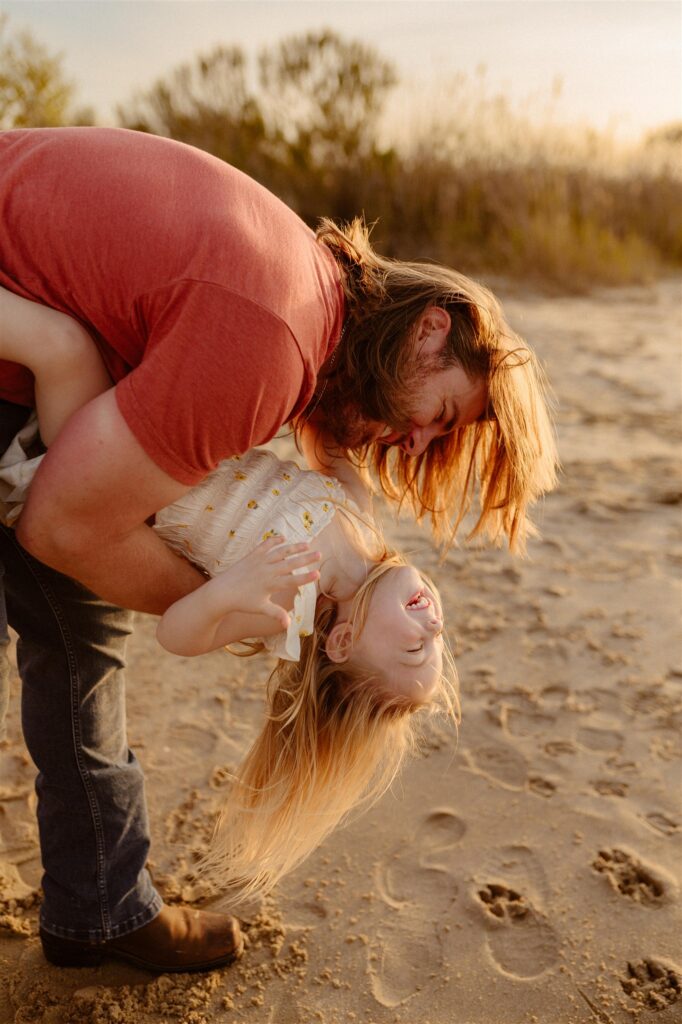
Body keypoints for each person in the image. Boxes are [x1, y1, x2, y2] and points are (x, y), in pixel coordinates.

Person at [0, 126, 557, 972]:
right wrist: (221, 589)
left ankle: (100, 905)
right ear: (430, 331)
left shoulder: (310, 292)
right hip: (31, 363)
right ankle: (102, 905)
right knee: (77, 615)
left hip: (45, 386)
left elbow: (326, 441)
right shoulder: (271, 342)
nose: (412, 445)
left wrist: (239, 605)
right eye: (437, 417)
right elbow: (60, 527)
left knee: (81, 641)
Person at [0, 283, 458, 905]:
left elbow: (176, 634)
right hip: (154, 425)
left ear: (345, 640)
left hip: (99, 474)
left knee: (60, 347)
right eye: (439, 641)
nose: (432, 629)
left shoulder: (286, 610)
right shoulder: (362, 520)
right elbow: (326, 441)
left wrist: (229, 591)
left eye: (414, 651)